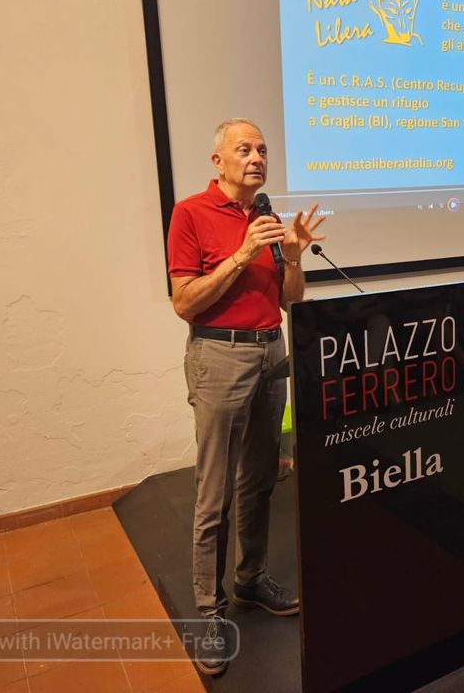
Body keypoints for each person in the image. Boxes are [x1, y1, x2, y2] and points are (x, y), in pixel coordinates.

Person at [167, 118, 325, 676]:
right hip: (220, 355)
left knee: (259, 480)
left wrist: (294, 256)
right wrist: (240, 254)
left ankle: (250, 579)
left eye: (262, 149)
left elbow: (290, 301)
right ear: (219, 161)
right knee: (215, 492)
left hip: (270, 354)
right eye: (244, 149)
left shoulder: (267, 217)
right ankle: (209, 613)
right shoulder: (190, 213)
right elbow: (183, 302)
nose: (257, 157)